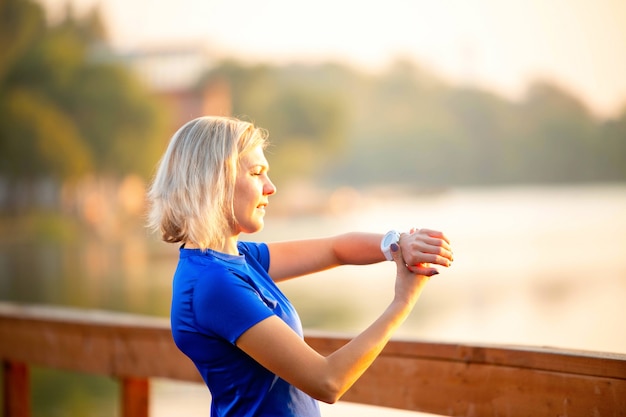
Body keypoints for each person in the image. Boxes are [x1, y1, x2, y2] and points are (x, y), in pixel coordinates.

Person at [147, 115, 453, 417]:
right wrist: (403, 302)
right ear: (214, 180)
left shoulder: (236, 259)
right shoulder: (214, 284)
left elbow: (335, 249)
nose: (271, 187)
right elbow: (327, 381)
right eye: (256, 173)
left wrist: (398, 243)